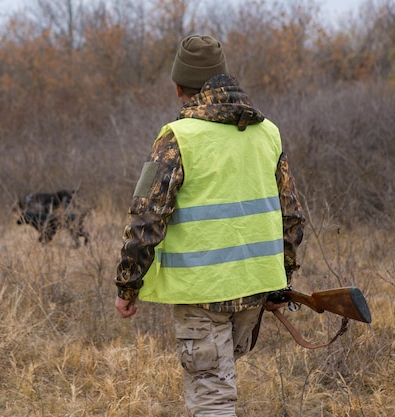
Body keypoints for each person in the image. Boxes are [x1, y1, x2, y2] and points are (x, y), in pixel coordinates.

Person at [113, 34, 305, 416]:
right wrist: (281, 279)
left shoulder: (177, 137)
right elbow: (292, 215)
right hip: (254, 288)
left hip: (201, 293)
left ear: (179, 86)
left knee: (212, 395)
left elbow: (146, 216)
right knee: (220, 379)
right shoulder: (268, 133)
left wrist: (127, 284)